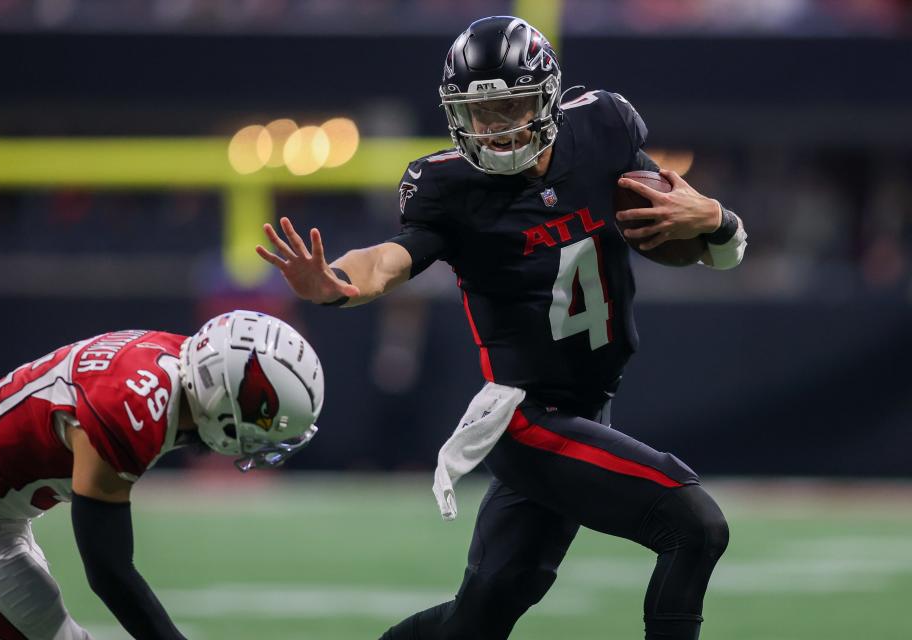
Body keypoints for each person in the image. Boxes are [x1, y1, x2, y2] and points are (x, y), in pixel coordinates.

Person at [257, 16, 746, 640]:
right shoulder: (449, 186)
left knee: (481, 617)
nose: (495, 126)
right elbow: (389, 258)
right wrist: (338, 284)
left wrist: (719, 220)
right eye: (479, 111)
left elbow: (705, 242)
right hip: (527, 418)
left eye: (510, 104)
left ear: (546, 95)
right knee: (694, 525)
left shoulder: (601, 128)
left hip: (588, 409)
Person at [0, 310, 321, 640]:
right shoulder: (131, 408)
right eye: (265, 424)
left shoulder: (177, 364)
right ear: (224, 404)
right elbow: (108, 570)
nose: (262, 441)